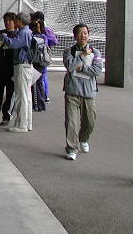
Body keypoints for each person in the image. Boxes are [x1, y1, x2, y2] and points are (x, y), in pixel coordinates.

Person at [62, 23, 103, 160]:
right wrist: (82, 56)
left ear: (88, 35)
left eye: (85, 33)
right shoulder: (69, 51)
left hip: (88, 92)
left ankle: (83, 139)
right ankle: (71, 148)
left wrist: (82, 68)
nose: (83, 36)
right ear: (75, 36)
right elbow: (69, 66)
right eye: (80, 33)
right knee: (71, 122)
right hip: (72, 91)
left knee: (90, 121)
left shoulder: (95, 52)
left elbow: (97, 70)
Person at [1, 12, 33, 133]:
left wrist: (5, 37)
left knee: (21, 97)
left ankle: (21, 124)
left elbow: (14, 44)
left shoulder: (24, 33)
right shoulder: (28, 32)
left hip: (22, 66)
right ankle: (27, 123)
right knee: (27, 96)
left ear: (20, 21)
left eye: (16, 20)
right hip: (27, 66)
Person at [30, 11, 58, 102]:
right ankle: (45, 96)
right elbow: (54, 41)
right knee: (43, 77)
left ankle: (41, 97)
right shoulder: (47, 29)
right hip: (44, 56)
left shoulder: (41, 30)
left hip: (39, 57)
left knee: (39, 77)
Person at [30, 19, 49, 112]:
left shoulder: (35, 37)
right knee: (40, 82)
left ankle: (37, 104)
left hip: (36, 62)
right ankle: (41, 102)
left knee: (35, 84)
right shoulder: (44, 37)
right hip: (42, 62)